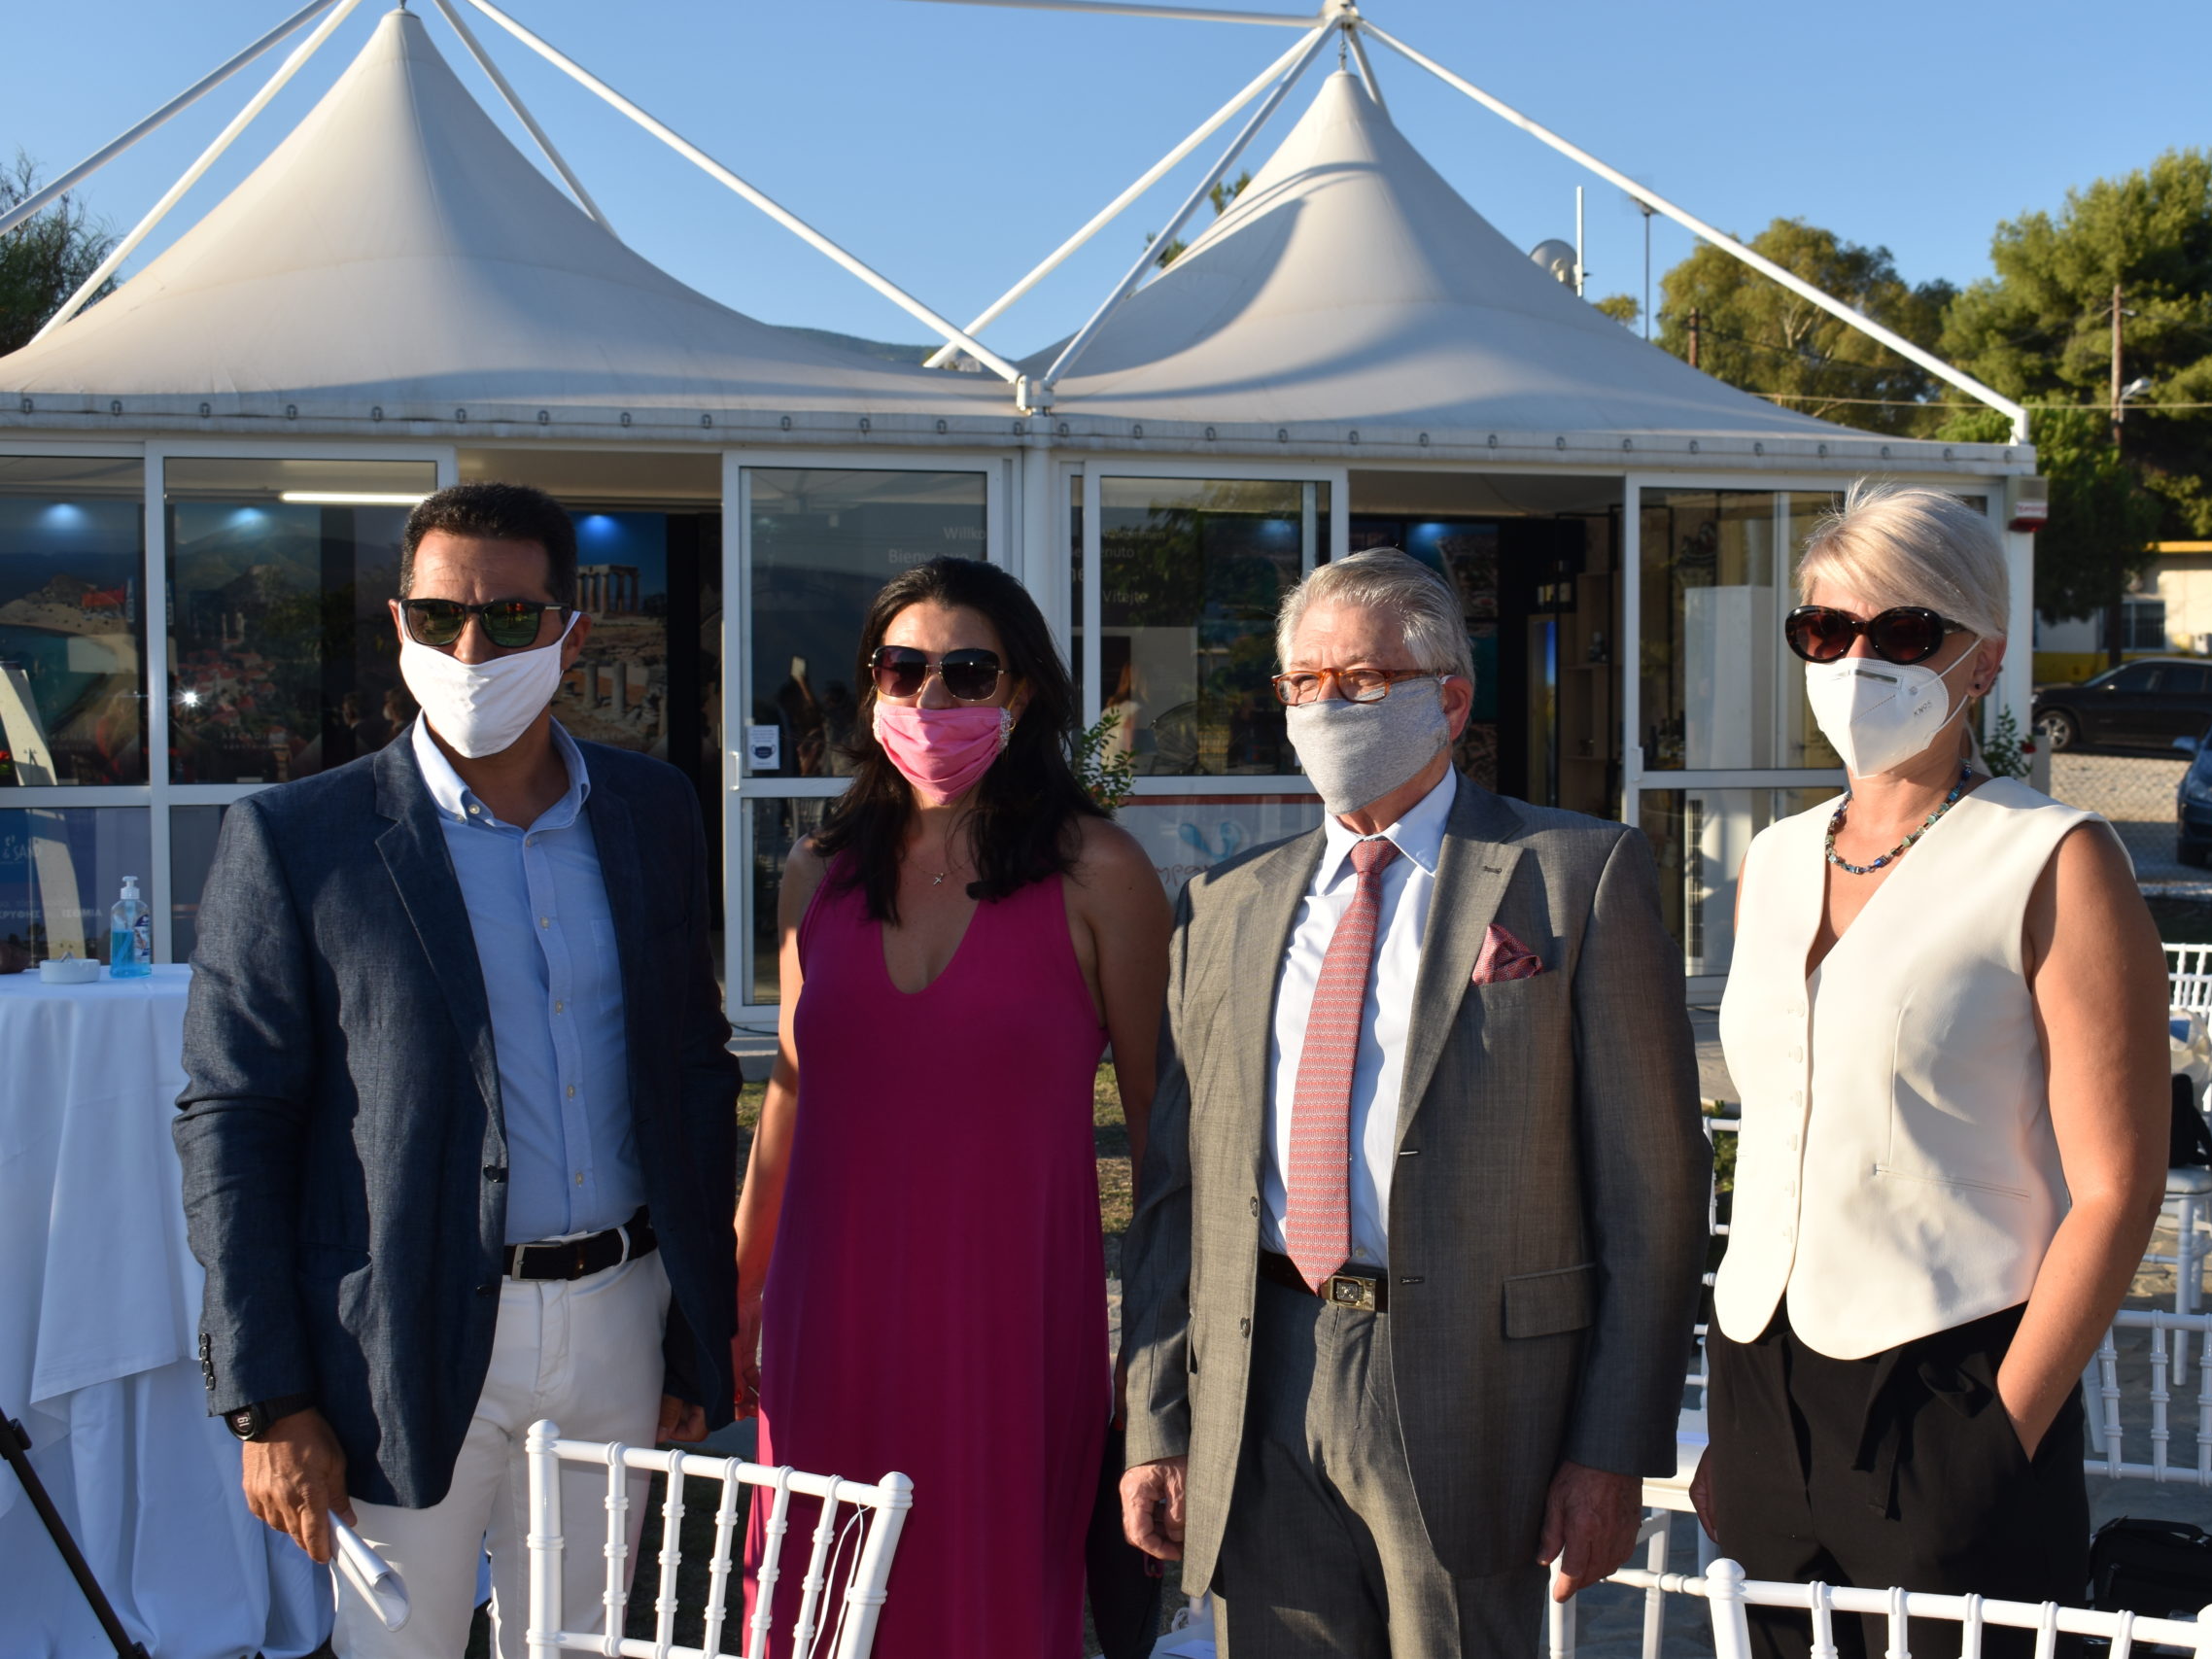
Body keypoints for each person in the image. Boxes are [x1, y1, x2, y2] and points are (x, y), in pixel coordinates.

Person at [173, 482, 741, 1657]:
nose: (472, 648)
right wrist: (268, 1397)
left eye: (510, 616)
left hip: (618, 1314)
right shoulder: (297, 838)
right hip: (401, 1331)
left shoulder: (652, 811)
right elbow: (234, 1119)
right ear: (400, 625)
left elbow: (692, 1070)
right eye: (440, 616)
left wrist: (696, 1332)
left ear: (571, 637)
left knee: (583, 1644)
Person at [1118, 547, 1710, 1659]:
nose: (1325, 708)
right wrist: (1154, 1419)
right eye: (1303, 682)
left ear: (1449, 701)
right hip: (1260, 1370)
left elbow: (1654, 1193)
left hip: (1476, 1393)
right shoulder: (1222, 905)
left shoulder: (1575, 874)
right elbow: (1175, 1192)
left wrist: (1611, 1448)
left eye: (1362, 680)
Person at [1703, 485, 2169, 1659]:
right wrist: (1732, 1425)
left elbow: (2118, 1186)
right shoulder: (1773, 860)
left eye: (1904, 632)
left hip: (1952, 1373)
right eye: (1825, 630)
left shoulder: (2051, 858)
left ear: (1982, 658)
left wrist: (1998, 1435)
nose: (1858, 662)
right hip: (1761, 1384)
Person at [733, 556, 1171, 1659]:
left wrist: (1161, 1347)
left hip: (1011, 1326)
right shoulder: (818, 873)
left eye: (968, 672)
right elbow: (788, 1097)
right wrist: (739, 1291)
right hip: (827, 1317)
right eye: (902, 668)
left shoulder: (1100, 873)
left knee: (989, 1601)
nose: (931, 697)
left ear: (1023, 691)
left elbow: (1163, 1134)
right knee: (816, 1603)